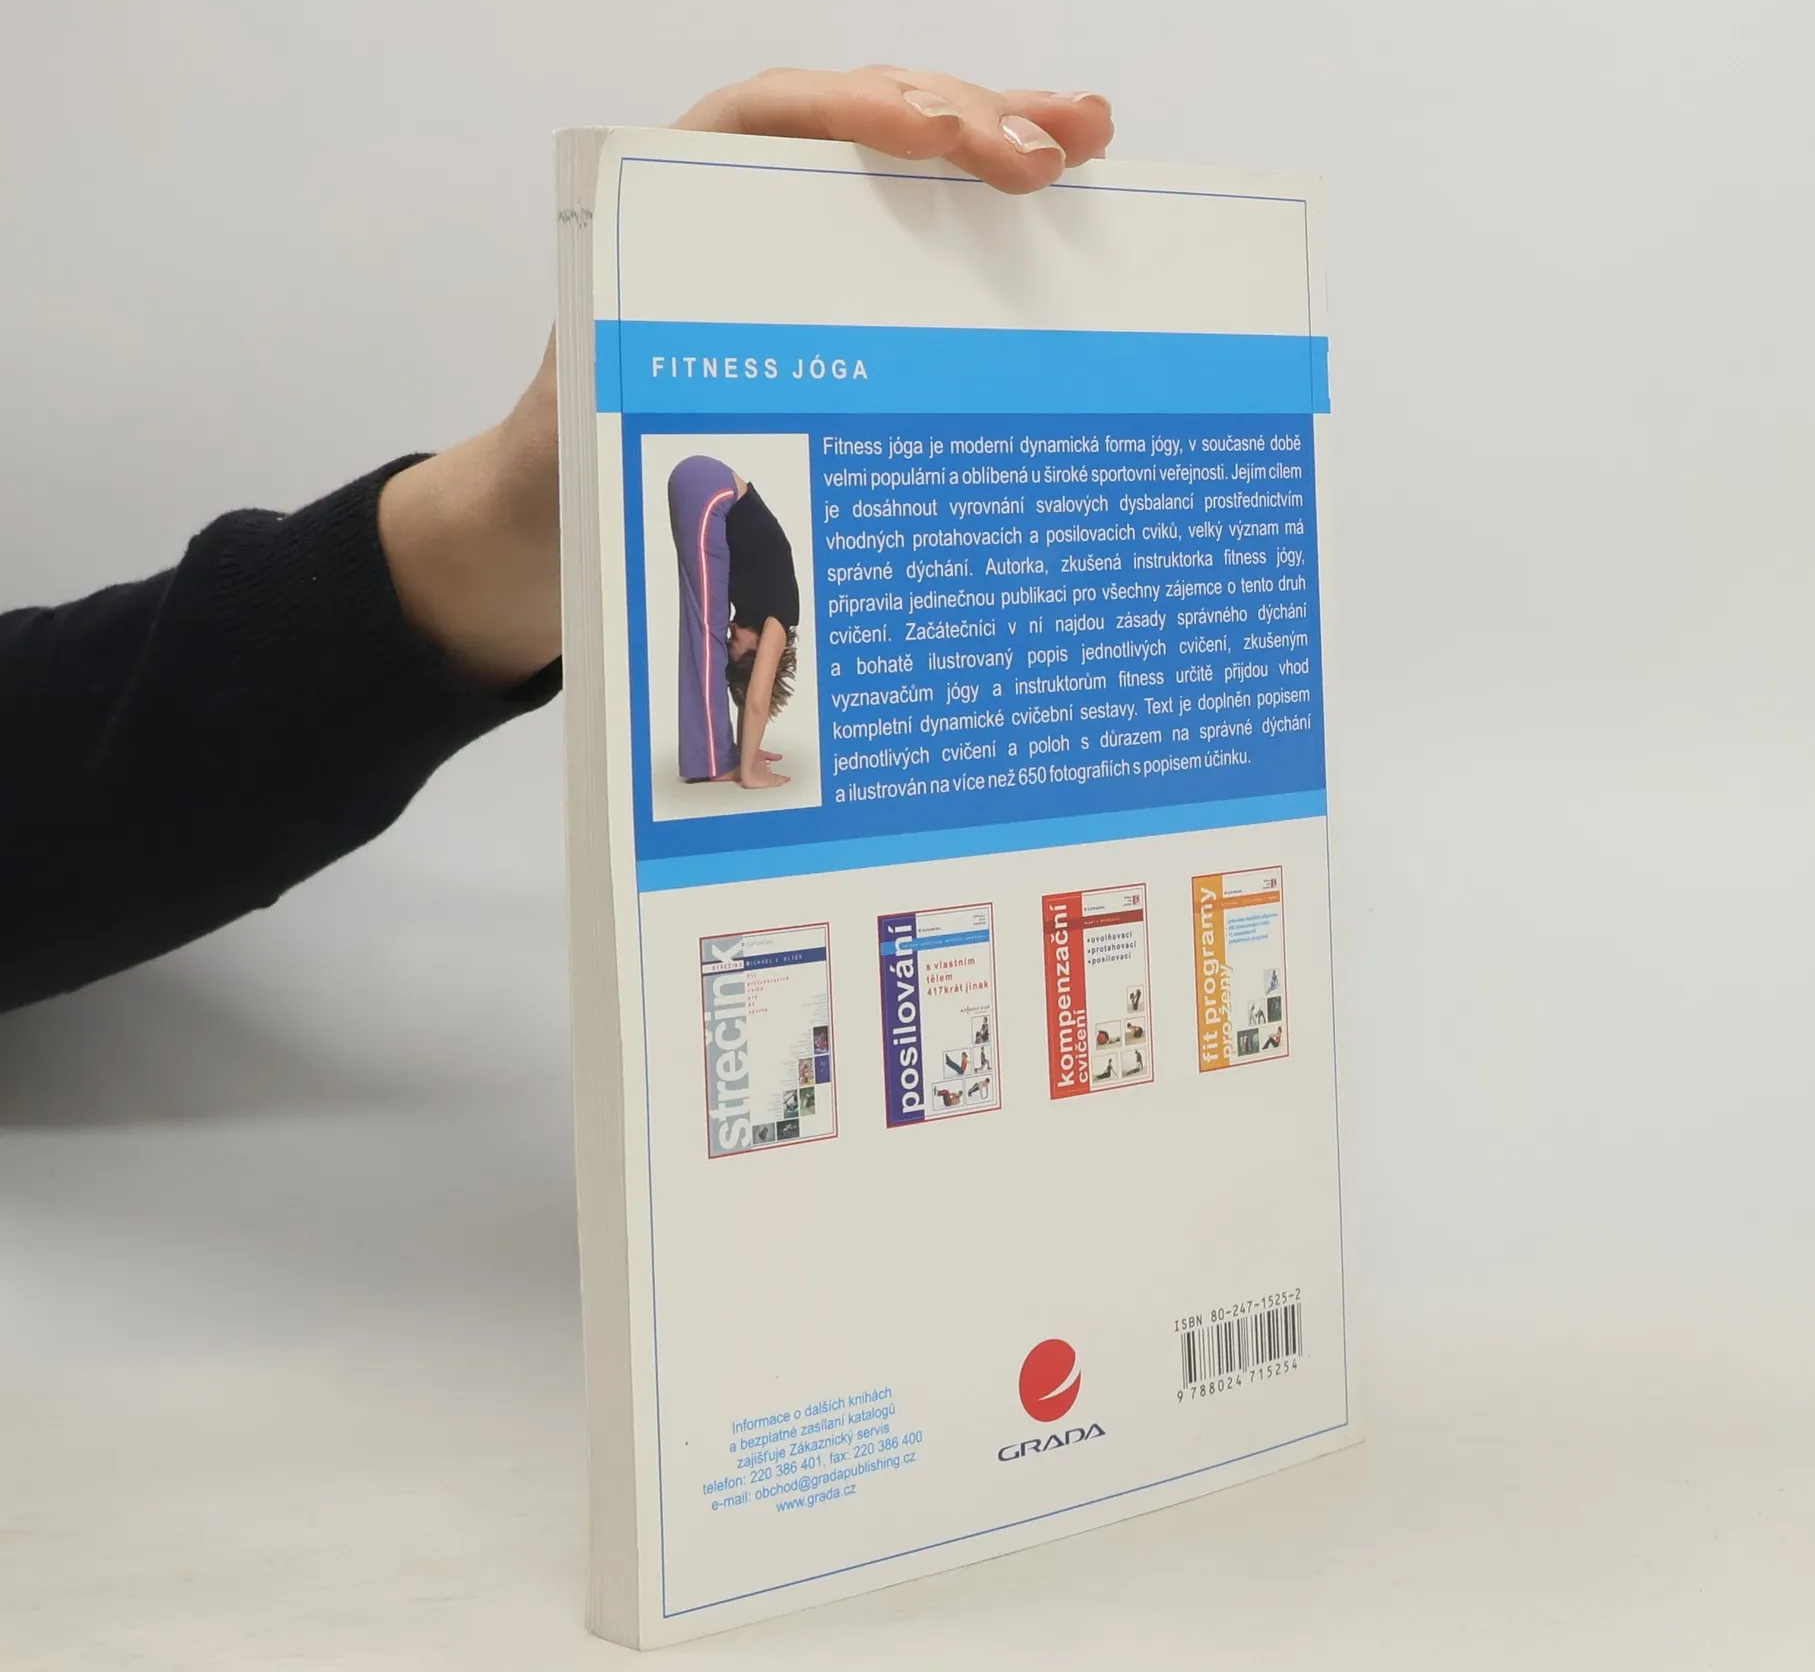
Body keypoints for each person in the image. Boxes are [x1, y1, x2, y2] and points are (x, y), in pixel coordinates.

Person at [0, 68, 1113, 1014]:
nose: (742, 655)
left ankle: (701, 709)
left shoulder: (760, 598)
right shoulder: (764, 598)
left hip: (710, 499)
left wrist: (512, 529)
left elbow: (67, 788)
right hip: (718, 497)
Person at [666, 455, 798, 790]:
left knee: (703, 628)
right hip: (711, 491)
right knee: (705, 634)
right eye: (734, 646)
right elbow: (757, 698)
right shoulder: (779, 617)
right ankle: (713, 761)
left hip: (707, 487)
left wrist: (746, 751)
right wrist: (748, 772)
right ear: (757, 647)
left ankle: (718, 755)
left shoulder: (759, 610)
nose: (730, 636)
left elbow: (750, 694)